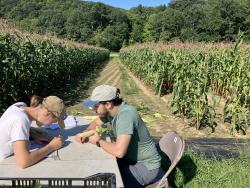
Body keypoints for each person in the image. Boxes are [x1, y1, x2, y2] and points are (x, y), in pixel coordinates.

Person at [75, 85, 164, 187]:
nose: (93, 109)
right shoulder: (112, 112)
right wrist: (86, 132)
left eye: (96, 106)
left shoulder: (125, 115)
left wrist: (98, 141)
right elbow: (96, 122)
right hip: (131, 160)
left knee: (107, 184)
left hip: (147, 167)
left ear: (108, 104)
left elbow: (119, 152)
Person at [0, 95, 65, 168]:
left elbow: (12, 128)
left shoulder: (20, 107)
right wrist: (51, 146)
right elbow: (23, 162)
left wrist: (32, 133)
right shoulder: (21, 119)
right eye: (53, 121)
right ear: (47, 113)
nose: (50, 124)